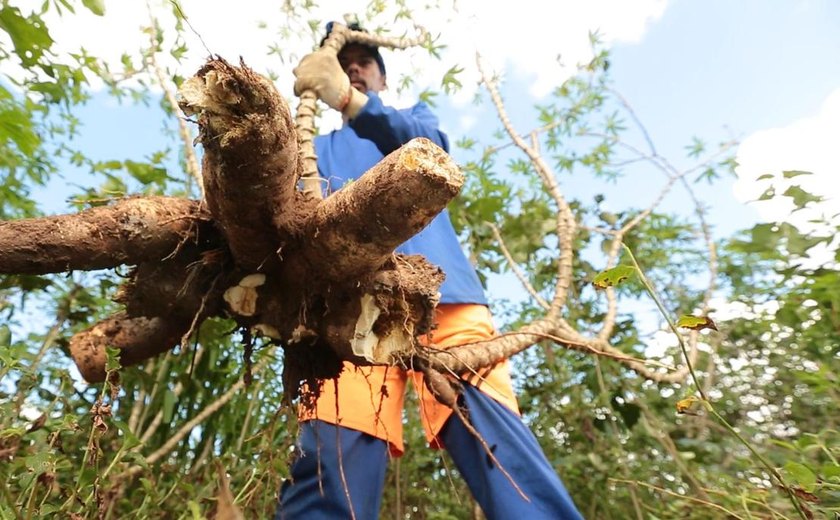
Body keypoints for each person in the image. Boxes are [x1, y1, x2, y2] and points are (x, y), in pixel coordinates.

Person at [276, 22, 583, 520]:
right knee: (333, 464)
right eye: (344, 63)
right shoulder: (315, 149)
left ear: (382, 77)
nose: (354, 68)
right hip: (343, 311)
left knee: (500, 449)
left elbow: (431, 147)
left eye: (364, 63)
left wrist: (350, 101)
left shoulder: (411, 121)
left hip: (447, 298)